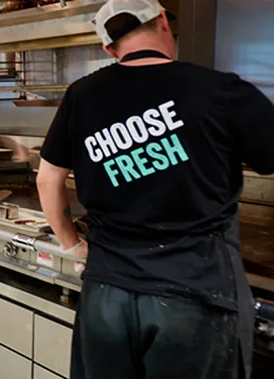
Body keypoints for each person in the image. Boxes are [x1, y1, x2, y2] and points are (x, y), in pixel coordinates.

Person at [36, 1, 274, 378]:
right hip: (194, 291)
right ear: (163, 20)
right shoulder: (218, 89)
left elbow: (48, 179)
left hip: (106, 293)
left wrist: (71, 245)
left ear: (109, 49)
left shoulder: (81, 95)